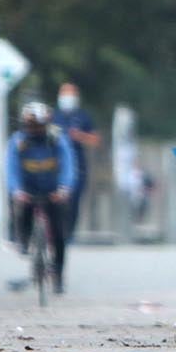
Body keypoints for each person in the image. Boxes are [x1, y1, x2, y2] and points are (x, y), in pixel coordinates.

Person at [7, 101, 76, 293]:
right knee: (21, 212)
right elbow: (11, 168)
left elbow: (68, 164)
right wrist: (16, 190)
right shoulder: (18, 141)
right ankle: (23, 240)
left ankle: (59, 276)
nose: (35, 130)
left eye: (39, 125)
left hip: (53, 191)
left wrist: (64, 188)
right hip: (28, 190)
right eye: (31, 126)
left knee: (59, 233)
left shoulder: (57, 139)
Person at [51, 82, 101, 241]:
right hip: (56, 165)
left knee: (73, 201)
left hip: (77, 166)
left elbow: (95, 140)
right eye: (64, 94)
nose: (67, 98)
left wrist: (80, 136)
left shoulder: (83, 117)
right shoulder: (53, 116)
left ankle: (69, 234)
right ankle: (54, 230)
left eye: (70, 94)